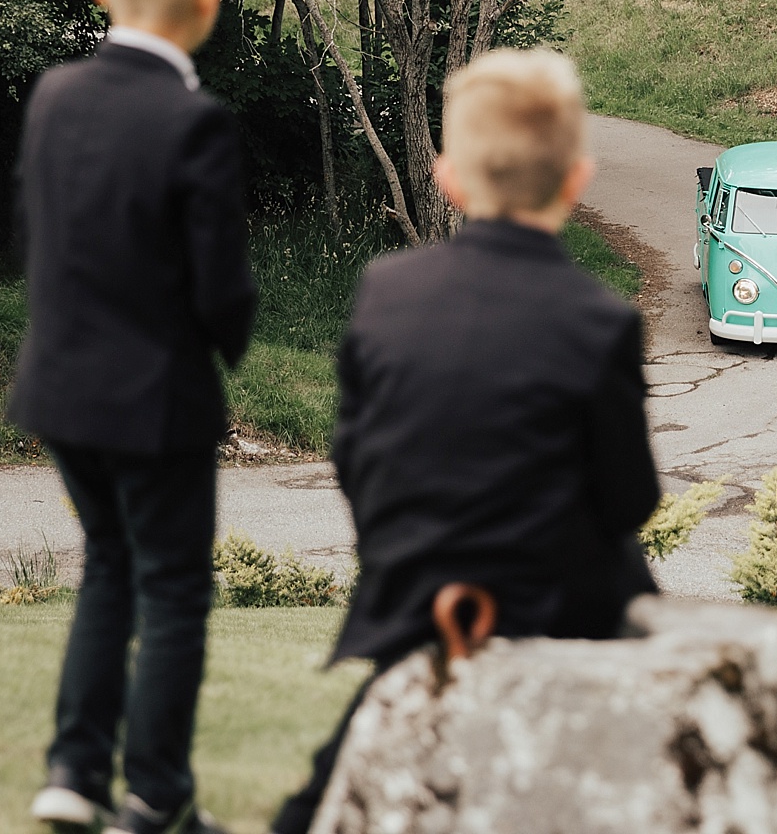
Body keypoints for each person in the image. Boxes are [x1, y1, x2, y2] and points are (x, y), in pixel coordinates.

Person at [269, 48, 662, 834]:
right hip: (554, 607)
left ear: (448, 178)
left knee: (340, 772)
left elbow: (355, 458)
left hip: (418, 593)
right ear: (576, 180)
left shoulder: (387, 292)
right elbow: (630, 499)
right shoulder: (599, 320)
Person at [8, 0, 257, 834]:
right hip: (156, 397)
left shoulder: (54, 96)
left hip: (60, 385)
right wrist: (230, 339)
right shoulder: (196, 121)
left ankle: (74, 771)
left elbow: (34, 239)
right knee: (174, 589)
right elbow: (219, 284)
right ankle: (155, 796)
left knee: (108, 565)